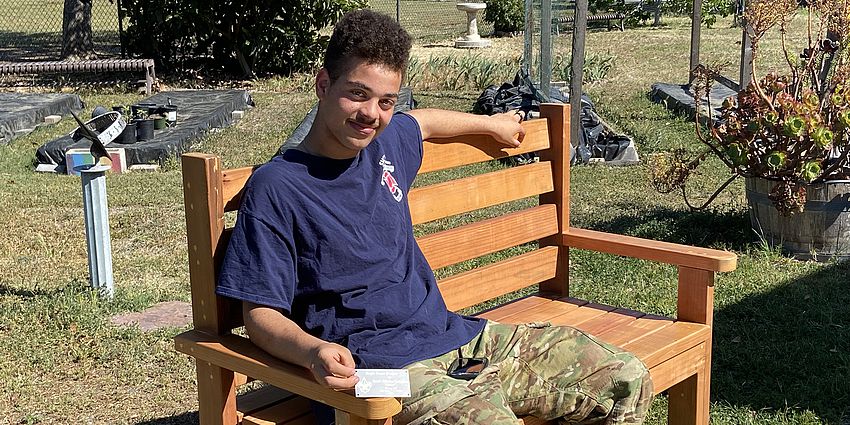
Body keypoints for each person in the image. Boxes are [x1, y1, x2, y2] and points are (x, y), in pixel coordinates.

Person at [217, 9, 653, 425]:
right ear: (323, 84)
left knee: (625, 378)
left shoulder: (384, 145)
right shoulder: (279, 187)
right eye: (357, 94)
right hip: (380, 368)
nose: (372, 115)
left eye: (386, 101)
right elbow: (260, 314)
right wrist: (314, 351)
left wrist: (491, 125)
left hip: (458, 338)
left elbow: (421, 122)